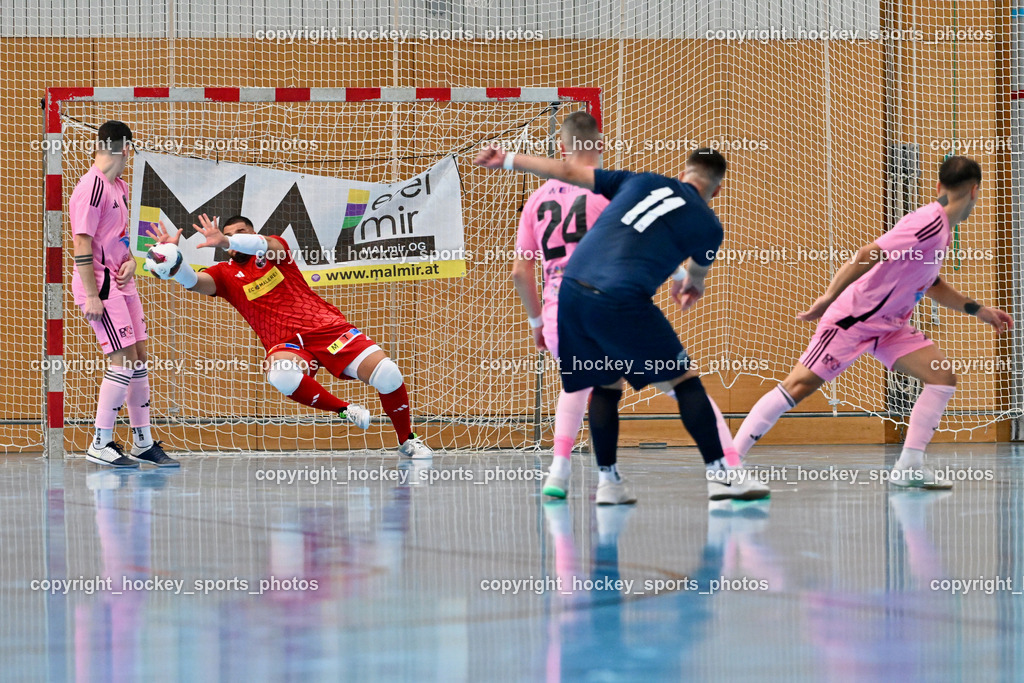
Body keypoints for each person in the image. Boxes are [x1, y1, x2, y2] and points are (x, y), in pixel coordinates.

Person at [476, 145, 770, 503]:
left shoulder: (638, 180)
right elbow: (697, 274)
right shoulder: (709, 226)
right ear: (718, 191)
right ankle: (721, 476)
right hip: (619, 298)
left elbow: (566, 172)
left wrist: (507, 159)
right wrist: (692, 287)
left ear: (683, 173)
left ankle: (609, 484)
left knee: (605, 382)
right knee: (684, 380)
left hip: (570, 293)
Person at [733, 156, 1012, 489]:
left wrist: (978, 310)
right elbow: (869, 253)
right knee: (799, 385)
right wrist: (828, 296)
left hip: (891, 327)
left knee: (941, 375)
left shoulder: (944, 231)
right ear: (976, 191)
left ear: (939, 186)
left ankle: (909, 466)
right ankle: (729, 464)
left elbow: (932, 284)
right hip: (855, 319)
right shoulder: (926, 223)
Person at [147, 214, 432, 458]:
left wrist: (225, 240)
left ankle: (407, 440)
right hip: (285, 344)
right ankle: (345, 410)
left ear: (252, 234)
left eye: (239, 234)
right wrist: (174, 263)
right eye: (229, 236)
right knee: (280, 375)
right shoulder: (223, 273)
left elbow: (266, 245)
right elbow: (195, 282)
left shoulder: (275, 251)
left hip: (327, 329)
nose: (232, 239)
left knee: (388, 374)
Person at [511, 111, 608, 498]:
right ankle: (607, 477)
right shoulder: (606, 191)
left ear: (559, 148)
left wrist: (536, 321)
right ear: (599, 146)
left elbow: (520, 272)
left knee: (576, 383)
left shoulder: (536, 199)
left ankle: (559, 469)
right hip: (602, 305)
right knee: (615, 386)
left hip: (555, 312)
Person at [71, 120, 177, 468]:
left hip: (122, 282)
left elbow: (116, 238)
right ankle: (100, 442)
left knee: (139, 358)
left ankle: (143, 442)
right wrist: (91, 295)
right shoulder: (92, 187)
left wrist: (133, 260)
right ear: (126, 148)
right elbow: (82, 243)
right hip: (100, 287)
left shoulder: (121, 186)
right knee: (123, 361)